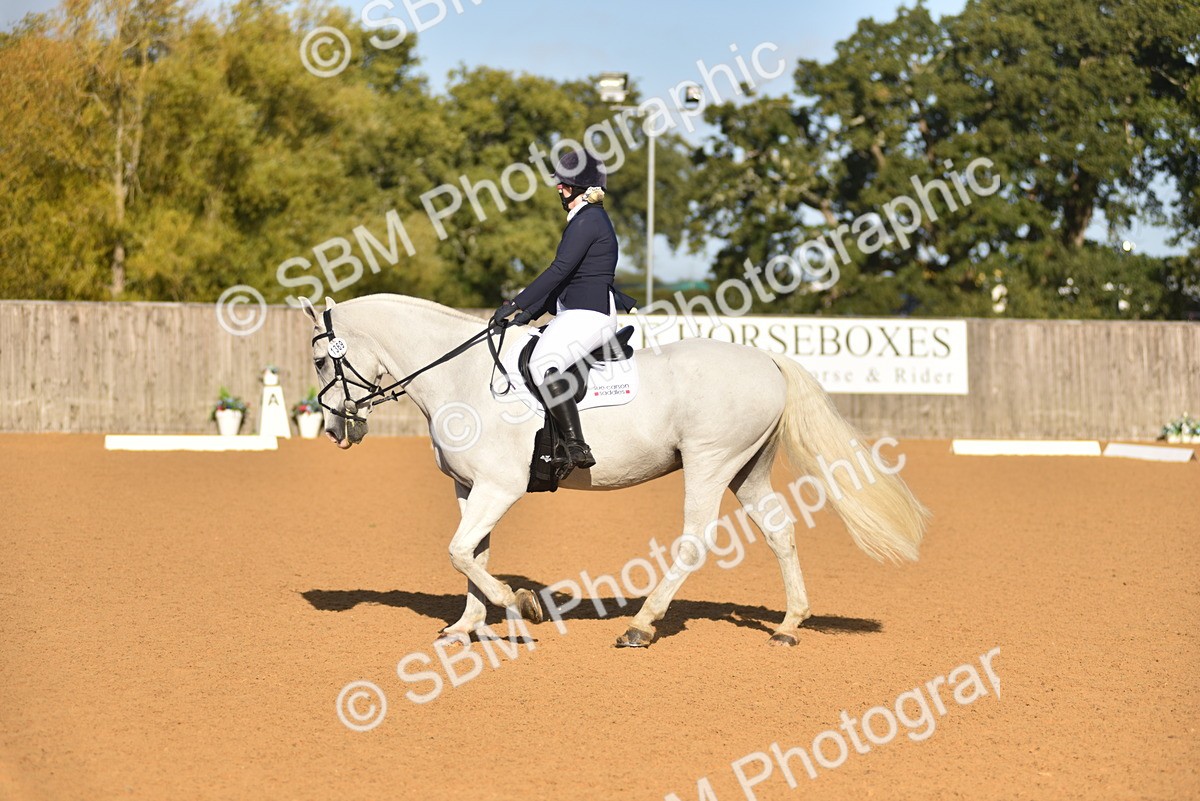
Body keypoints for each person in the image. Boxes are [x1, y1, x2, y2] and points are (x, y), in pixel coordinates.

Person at [491, 148, 635, 469]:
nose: (559, 188)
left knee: (543, 363)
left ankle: (576, 444)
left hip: (588, 314)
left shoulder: (588, 221)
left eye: (565, 184)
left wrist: (517, 303)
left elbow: (557, 270)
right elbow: (561, 282)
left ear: (580, 190)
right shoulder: (585, 220)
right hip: (576, 312)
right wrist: (523, 317)